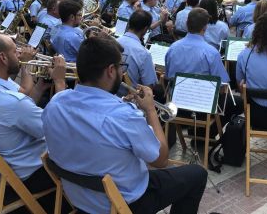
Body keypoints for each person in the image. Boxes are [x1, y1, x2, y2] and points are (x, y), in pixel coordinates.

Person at [42, 37, 207, 214]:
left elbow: (89, 119)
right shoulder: (124, 116)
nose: (122, 72)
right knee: (197, 174)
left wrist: (123, 107)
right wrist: (151, 111)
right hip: (122, 203)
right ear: (111, 70)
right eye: (121, 67)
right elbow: (161, 160)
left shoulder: (55, 103)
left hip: (80, 199)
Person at [0, 34, 65, 212]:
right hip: (31, 173)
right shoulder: (13, 103)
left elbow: (19, 111)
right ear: (3, 58)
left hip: (5, 169)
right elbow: (58, 130)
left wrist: (40, 87)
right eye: (14, 50)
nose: (19, 54)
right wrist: (60, 83)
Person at [165, 8, 229, 83]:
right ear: (205, 27)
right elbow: (222, 83)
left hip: (176, 93)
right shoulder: (212, 53)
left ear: (186, 24)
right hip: (201, 93)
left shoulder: (172, 48)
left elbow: (168, 75)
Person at [117, 10, 158, 90]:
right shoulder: (144, 53)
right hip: (130, 99)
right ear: (145, 29)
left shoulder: (113, 42)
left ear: (129, 23)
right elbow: (149, 87)